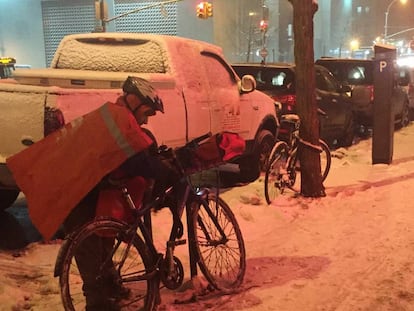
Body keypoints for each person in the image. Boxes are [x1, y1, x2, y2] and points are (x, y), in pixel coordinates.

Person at [63, 76, 165, 311]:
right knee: (89, 243)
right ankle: (96, 302)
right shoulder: (118, 118)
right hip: (77, 188)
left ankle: (109, 286)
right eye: (147, 111)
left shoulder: (119, 115)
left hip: (91, 186)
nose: (147, 118)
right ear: (133, 100)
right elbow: (132, 159)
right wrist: (162, 169)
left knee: (104, 237)